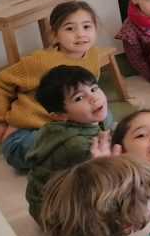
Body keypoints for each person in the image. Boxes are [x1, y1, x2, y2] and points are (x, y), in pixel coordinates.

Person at [0, 1, 109, 171]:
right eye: (70, 29)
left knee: (105, 115)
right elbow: (1, 82)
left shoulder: (93, 54)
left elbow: (88, 89)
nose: (80, 34)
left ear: (96, 29)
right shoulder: (40, 61)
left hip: (63, 123)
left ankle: (83, 148)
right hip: (26, 135)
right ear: (55, 35)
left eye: (87, 27)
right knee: (80, 144)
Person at [25, 65, 112, 224]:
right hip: (58, 217)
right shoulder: (79, 146)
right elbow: (104, 182)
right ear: (59, 115)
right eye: (79, 98)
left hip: (46, 204)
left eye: (94, 89)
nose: (94, 98)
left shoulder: (81, 122)